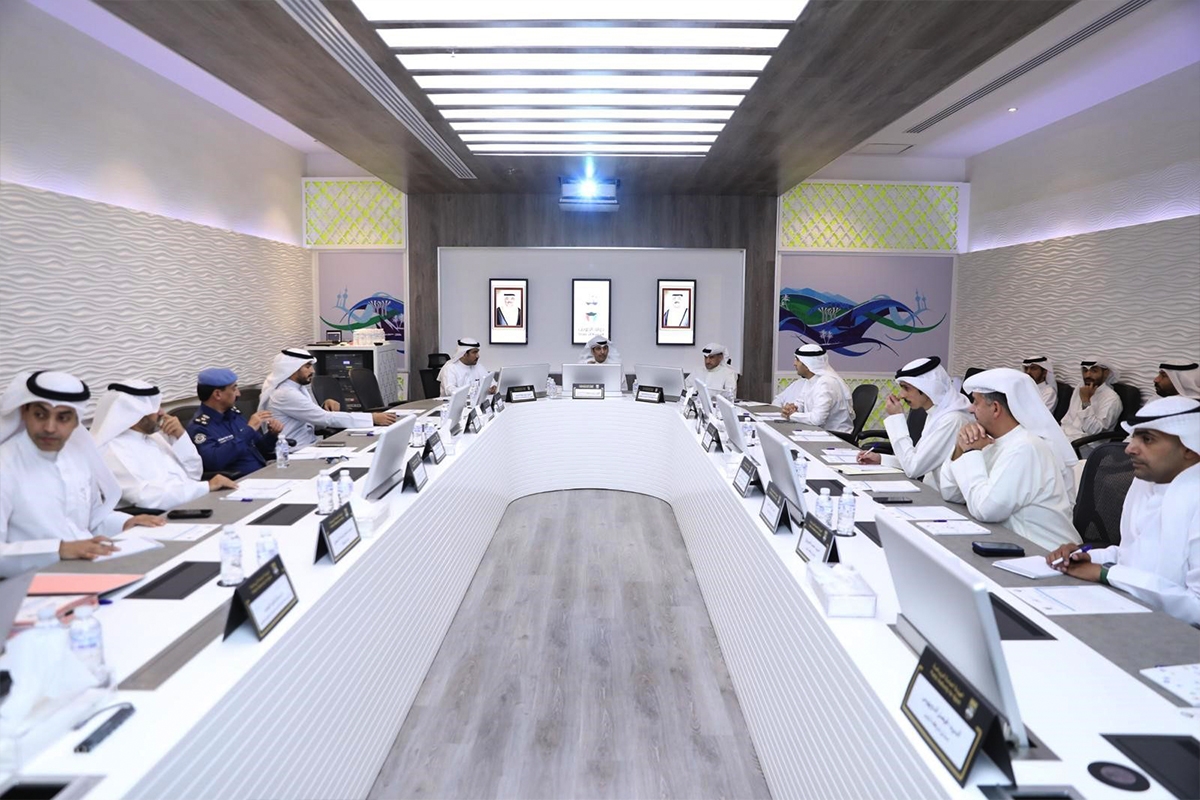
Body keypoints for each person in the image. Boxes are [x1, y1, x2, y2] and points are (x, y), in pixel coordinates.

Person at [1046, 396, 1199, 626]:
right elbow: (1132, 556)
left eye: (1147, 439)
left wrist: (1106, 574)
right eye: (1134, 437)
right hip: (1128, 614)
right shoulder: (1144, 483)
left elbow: (1196, 606)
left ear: (1189, 447)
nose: (1129, 448)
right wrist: (1086, 556)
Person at [0, 371, 163, 577]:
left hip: (90, 569)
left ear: (76, 421)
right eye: (40, 415)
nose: (50, 428)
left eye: (63, 418)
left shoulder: (77, 456)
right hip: (29, 582)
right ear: (24, 413)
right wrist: (58, 549)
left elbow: (90, 519)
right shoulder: (5, 466)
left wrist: (125, 523)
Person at [939, 368, 1080, 551]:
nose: (971, 408)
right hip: (1009, 545)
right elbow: (951, 493)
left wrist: (971, 452)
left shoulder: (1025, 447)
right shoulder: (990, 439)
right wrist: (960, 447)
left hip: (1044, 554)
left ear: (995, 408)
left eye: (976, 402)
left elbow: (985, 510)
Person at [91, 380, 237, 511]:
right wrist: (206, 487)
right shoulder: (110, 451)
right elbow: (147, 497)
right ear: (135, 414)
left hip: (194, 503)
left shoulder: (155, 436)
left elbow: (194, 474)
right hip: (161, 518)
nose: (162, 412)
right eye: (155, 408)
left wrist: (180, 436)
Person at [856, 356, 971, 487]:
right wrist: (881, 459)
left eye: (906, 388)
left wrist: (896, 418)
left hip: (938, 496)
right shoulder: (937, 413)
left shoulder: (952, 420)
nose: (901, 395)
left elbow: (914, 468)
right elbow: (918, 459)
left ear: (927, 387)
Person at [261, 348, 396, 449]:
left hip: (308, 444)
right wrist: (373, 418)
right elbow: (325, 418)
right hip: (294, 450)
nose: (313, 371)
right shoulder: (285, 393)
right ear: (292, 369)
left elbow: (315, 418)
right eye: (307, 367)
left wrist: (323, 408)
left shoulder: (296, 388)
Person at [187, 367, 282, 477]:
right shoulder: (199, 427)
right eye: (234, 389)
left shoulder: (234, 415)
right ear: (217, 394)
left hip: (262, 473)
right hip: (238, 480)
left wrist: (272, 435)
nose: (238, 394)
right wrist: (249, 430)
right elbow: (214, 462)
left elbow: (260, 450)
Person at [772, 344, 853, 434]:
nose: (794, 364)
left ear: (807, 365)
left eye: (797, 360)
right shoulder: (811, 380)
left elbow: (817, 419)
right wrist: (792, 409)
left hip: (836, 435)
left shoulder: (826, 383)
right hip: (818, 432)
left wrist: (792, 415)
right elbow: (800, 404)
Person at [1060, 359, 1123, 443]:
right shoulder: (1081, 388)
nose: (1088, 375)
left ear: (1106, 373)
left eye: (1094, 371)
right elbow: (1068, 418)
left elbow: (1094, 430)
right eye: (1085, 371)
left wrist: (1085, 401)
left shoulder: (1112, 398)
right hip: (1065, 436)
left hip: (1085, 444)